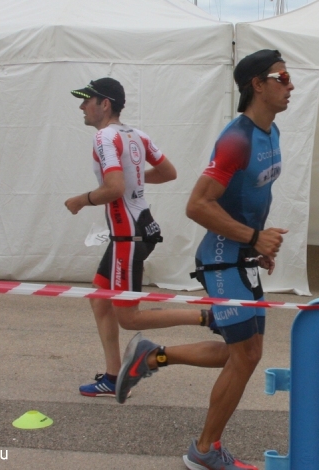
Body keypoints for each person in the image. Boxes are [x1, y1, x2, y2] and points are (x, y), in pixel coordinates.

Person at [114, 50, 293, 470]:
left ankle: (152, 356)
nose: (290, 85)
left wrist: (255, 246)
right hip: (221, 257)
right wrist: (252, 238)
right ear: (257, 85)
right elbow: (197, 205)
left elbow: (250, 197)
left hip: (240, 255)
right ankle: (204, 451)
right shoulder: (237, 139)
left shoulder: (272, 132)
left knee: (246, 353)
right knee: (244, 356)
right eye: (282, 77)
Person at [67, 77, 208, 398]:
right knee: (100, 298)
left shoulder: (104, 137)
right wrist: (132, 177)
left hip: (128, 237)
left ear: (105, 104)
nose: (82, 106)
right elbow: (168, 172)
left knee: (129, 318)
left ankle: (207, 317)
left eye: (87, 100)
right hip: (136, 230)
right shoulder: (137, 135)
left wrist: (81, 200)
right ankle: (113, 377)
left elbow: (114, 189)